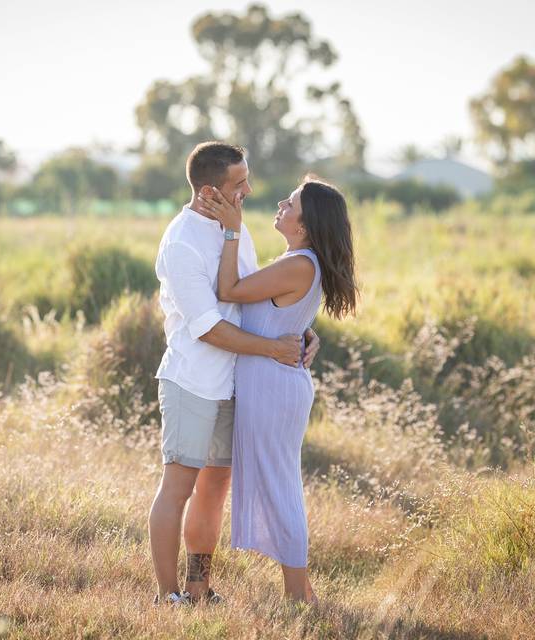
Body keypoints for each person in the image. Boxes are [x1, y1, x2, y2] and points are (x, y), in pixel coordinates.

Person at [148, 142, 322, 606]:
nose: (248, 189)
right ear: (210, 191)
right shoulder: (182, 242)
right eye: (239, 183)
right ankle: (168, 597)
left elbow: (250, 300)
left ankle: (199, 587)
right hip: (193, 383)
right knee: (179, 487)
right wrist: (273, 349)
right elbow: (208, 328)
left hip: (234, 384)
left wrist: (302, 334)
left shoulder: (234, 230)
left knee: (213, 489)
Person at [197, 174, 358, 603]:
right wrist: (306, 333)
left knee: (280, 485)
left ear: (304, 226)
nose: (280, 206)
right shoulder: (300, 261)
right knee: (280, 482)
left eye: (290, 204)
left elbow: (227, 289)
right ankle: (302, 589)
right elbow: (280, 318)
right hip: (274, 383)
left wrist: (232, 229)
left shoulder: (300, 263)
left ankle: (296, 597)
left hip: (272, 387)